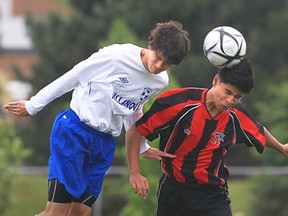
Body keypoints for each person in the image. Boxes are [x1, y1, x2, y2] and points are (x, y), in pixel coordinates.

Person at [3, 20, 191, 216]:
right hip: (74, 133)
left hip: (103, 143)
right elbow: (73, 76)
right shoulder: (115, 57)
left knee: (81, 213)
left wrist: (142, 146)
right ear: (151, 45)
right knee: (57, 213)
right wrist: (33, 105)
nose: (159, 65)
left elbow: (133, 109)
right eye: (158, 57)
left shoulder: (160, 80)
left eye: (166, 63)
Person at [126, 58, 288, 216]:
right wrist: (135, 172)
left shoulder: (236, 115)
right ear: (216, 80)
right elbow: (135, 131)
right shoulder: (177, 103)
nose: (230, 100)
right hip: (173, 192)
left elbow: (258, 131)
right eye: (228, 92)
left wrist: (281, 147)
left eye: (237, 97)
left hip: (212, 195)